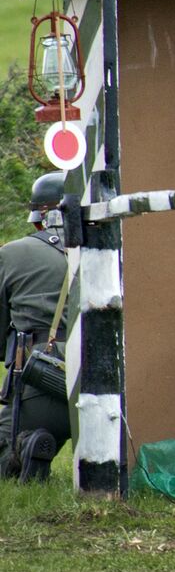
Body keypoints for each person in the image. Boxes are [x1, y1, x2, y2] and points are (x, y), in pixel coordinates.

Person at [0, 171, 71, 482]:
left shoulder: (13, 253)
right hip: (103, 385)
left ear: (41, 216)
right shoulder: (109, 255)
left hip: (43, 372)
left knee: (5, 456)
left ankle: (26, 445)